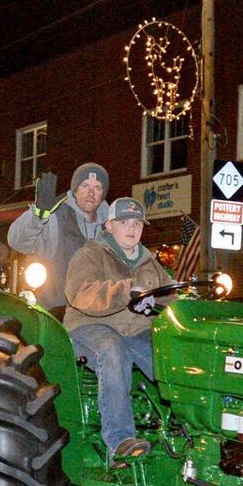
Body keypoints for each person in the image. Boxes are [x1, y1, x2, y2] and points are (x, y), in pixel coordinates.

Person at [65, 197, 173, 466]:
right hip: (89, 328)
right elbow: (81, 293)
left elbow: (169, 296)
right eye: (124, 222)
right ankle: (120, 441)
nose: (131, 228)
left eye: (137, 223)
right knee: (112, 349)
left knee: (171, 357)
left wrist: (187, 303)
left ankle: (183, 431)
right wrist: (125, 291)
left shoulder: (150, 263)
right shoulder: (90, 254)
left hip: (135, 332)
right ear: (110, 225)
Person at [8, 162, 110, 316]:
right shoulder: (55, 218)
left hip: (97, 314)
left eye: (97, 188)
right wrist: (38, 216)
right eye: (85, 186)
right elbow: (17, 241)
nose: (91, 193)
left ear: (103, 194)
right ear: (74, 190)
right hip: (54, 313)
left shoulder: (113, 226)